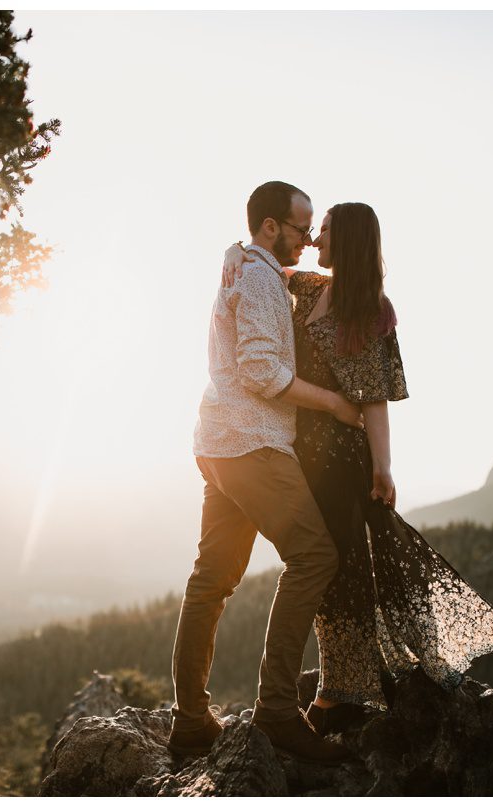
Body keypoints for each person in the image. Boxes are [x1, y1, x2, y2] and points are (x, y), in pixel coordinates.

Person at [221, 202, 493, 735]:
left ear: (349, 240)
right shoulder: (307, 288)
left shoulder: (370, 309)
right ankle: (345, 685)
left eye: (325, 230)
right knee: (328, 566)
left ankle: (341, 693)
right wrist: (233, 249)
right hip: (295, 447)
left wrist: (384, 469)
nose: (314, 239)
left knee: (342, 568)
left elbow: (376, 401)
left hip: (338, 457)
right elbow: (262, 263)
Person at [170, 181, 364, 764]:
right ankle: (279, 711)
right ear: (272, 226)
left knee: (212, 579)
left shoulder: (247, 270)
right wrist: (334, 405)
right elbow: (259, 369)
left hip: (217, 442)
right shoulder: (257, 277)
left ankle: (189, 720)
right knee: (314, 557)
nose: (308, 240)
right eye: (302, 228)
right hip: (253, 444)